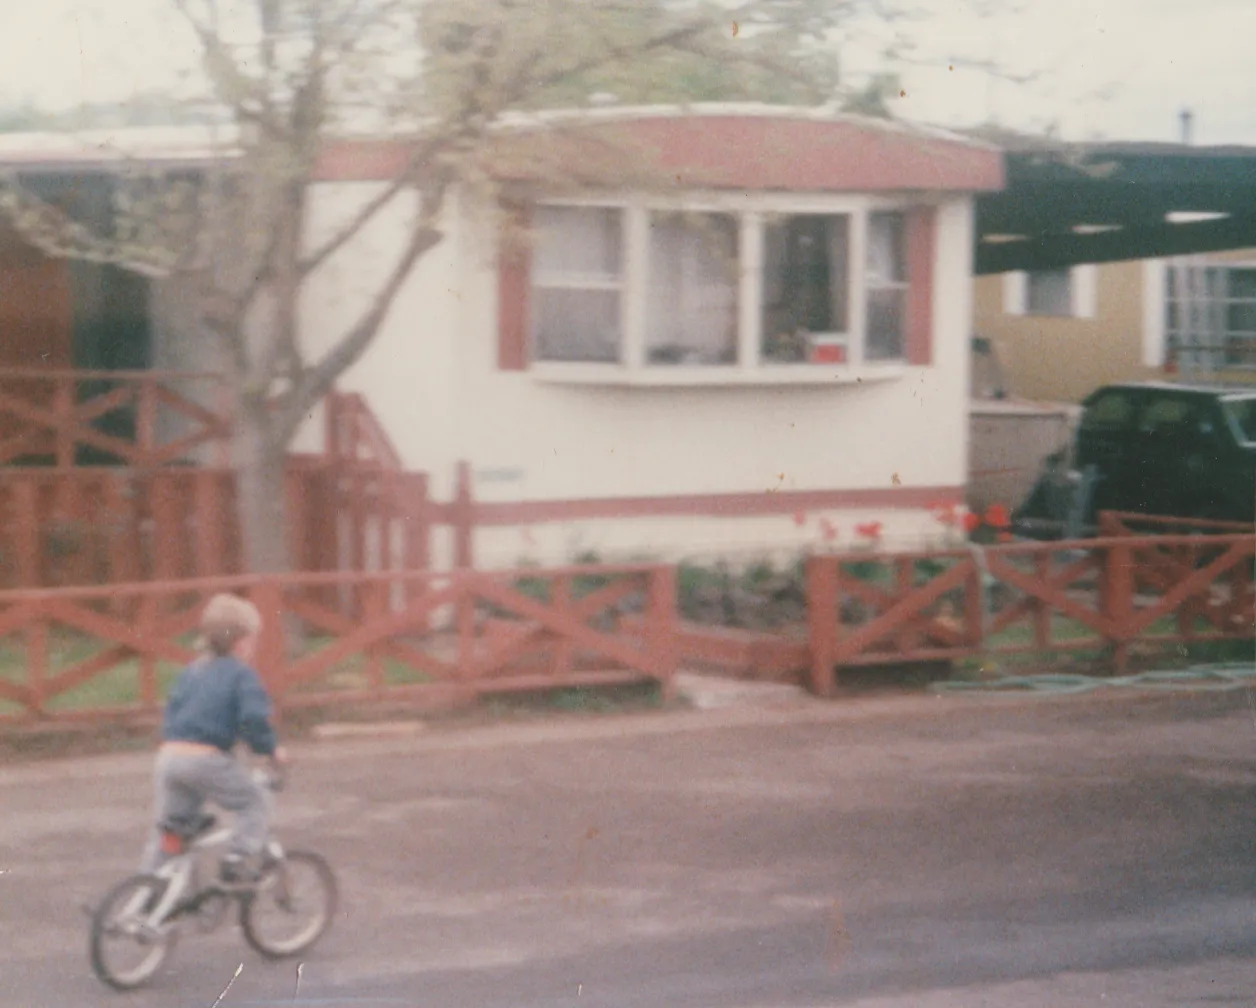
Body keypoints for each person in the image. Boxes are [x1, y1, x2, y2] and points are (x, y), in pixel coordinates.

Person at [140, 592, 288, 883]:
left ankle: (148, 896)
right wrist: (270, 749)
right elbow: (253, 720)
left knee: (172, 832)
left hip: (170, 756)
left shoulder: (193, 670)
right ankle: (237, 859)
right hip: (203, 760)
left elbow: (174, 708)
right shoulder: (242, 675)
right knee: (254, 802)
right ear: (242, 641)